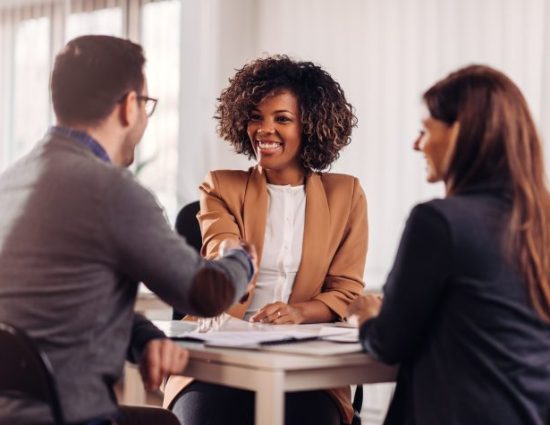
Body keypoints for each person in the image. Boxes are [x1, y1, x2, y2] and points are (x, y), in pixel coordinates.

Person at [0, 35, 256, 425]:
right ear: (128, 106)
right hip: (66, 414)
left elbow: (61, 305)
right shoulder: (112, 191)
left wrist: (145, 338)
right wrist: (242, 260)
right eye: (147, 105)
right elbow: (208, 293)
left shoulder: (11, 182)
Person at [164, 55, 368, 425]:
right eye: (256, 116)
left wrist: (299, 313)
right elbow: (219, 247)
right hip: (219, 358)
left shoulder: (346, 195)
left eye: (282, 119)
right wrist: (233, 258)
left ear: (311, 125)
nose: (264, 129)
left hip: (306, 367)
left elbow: (346, 291)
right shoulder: (221, 186)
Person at [348, 65, 550, 425]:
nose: (416, 144)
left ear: (460, 132)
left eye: (424, 130)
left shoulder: (439, 222)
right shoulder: (541, 221)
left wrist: (367, 314)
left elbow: (387, 342)